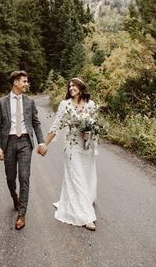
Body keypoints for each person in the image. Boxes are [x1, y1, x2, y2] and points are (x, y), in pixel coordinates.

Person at [41, 77, 98, 231]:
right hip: (72, 147)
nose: (71, 87)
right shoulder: (65, 105)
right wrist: (44, 144)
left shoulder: (91, 105)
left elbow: (95, 124)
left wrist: (89, 131)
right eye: (70, 85)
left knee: (86, 175)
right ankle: (86, 217)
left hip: (87, 146)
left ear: (81, 87)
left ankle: (85, 200)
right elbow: (56, 125)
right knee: (76, 177)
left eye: (74, 85)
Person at [0, 70, 47, 230]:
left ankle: (22, 214)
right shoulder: (1, 102)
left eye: (27, 81)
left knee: (24, 177)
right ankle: (14, 197)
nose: (26, 84)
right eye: (24, 81)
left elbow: (36, 123)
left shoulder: (30, 102)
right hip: (8, 142)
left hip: (25, 142)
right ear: (15, 82)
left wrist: (42, 142)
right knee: (11, 178)